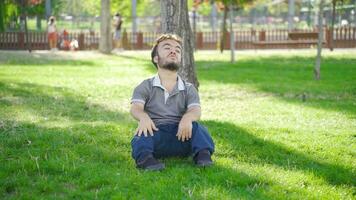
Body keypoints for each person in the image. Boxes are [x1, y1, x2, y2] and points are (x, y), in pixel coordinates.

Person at [130, 34, 215, 171]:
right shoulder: (145, 86)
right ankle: (146, 160)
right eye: (167, 47)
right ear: (156, 58)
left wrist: (187, 118)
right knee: (141, 135)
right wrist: (143, 117)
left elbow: (195, 110)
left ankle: (203, 156)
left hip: (182, 134)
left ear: (180, 59)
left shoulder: (189, 89)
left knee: (199, 129)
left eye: (178, 49)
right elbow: (136, 108)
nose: (173, 51)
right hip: (155, 134)